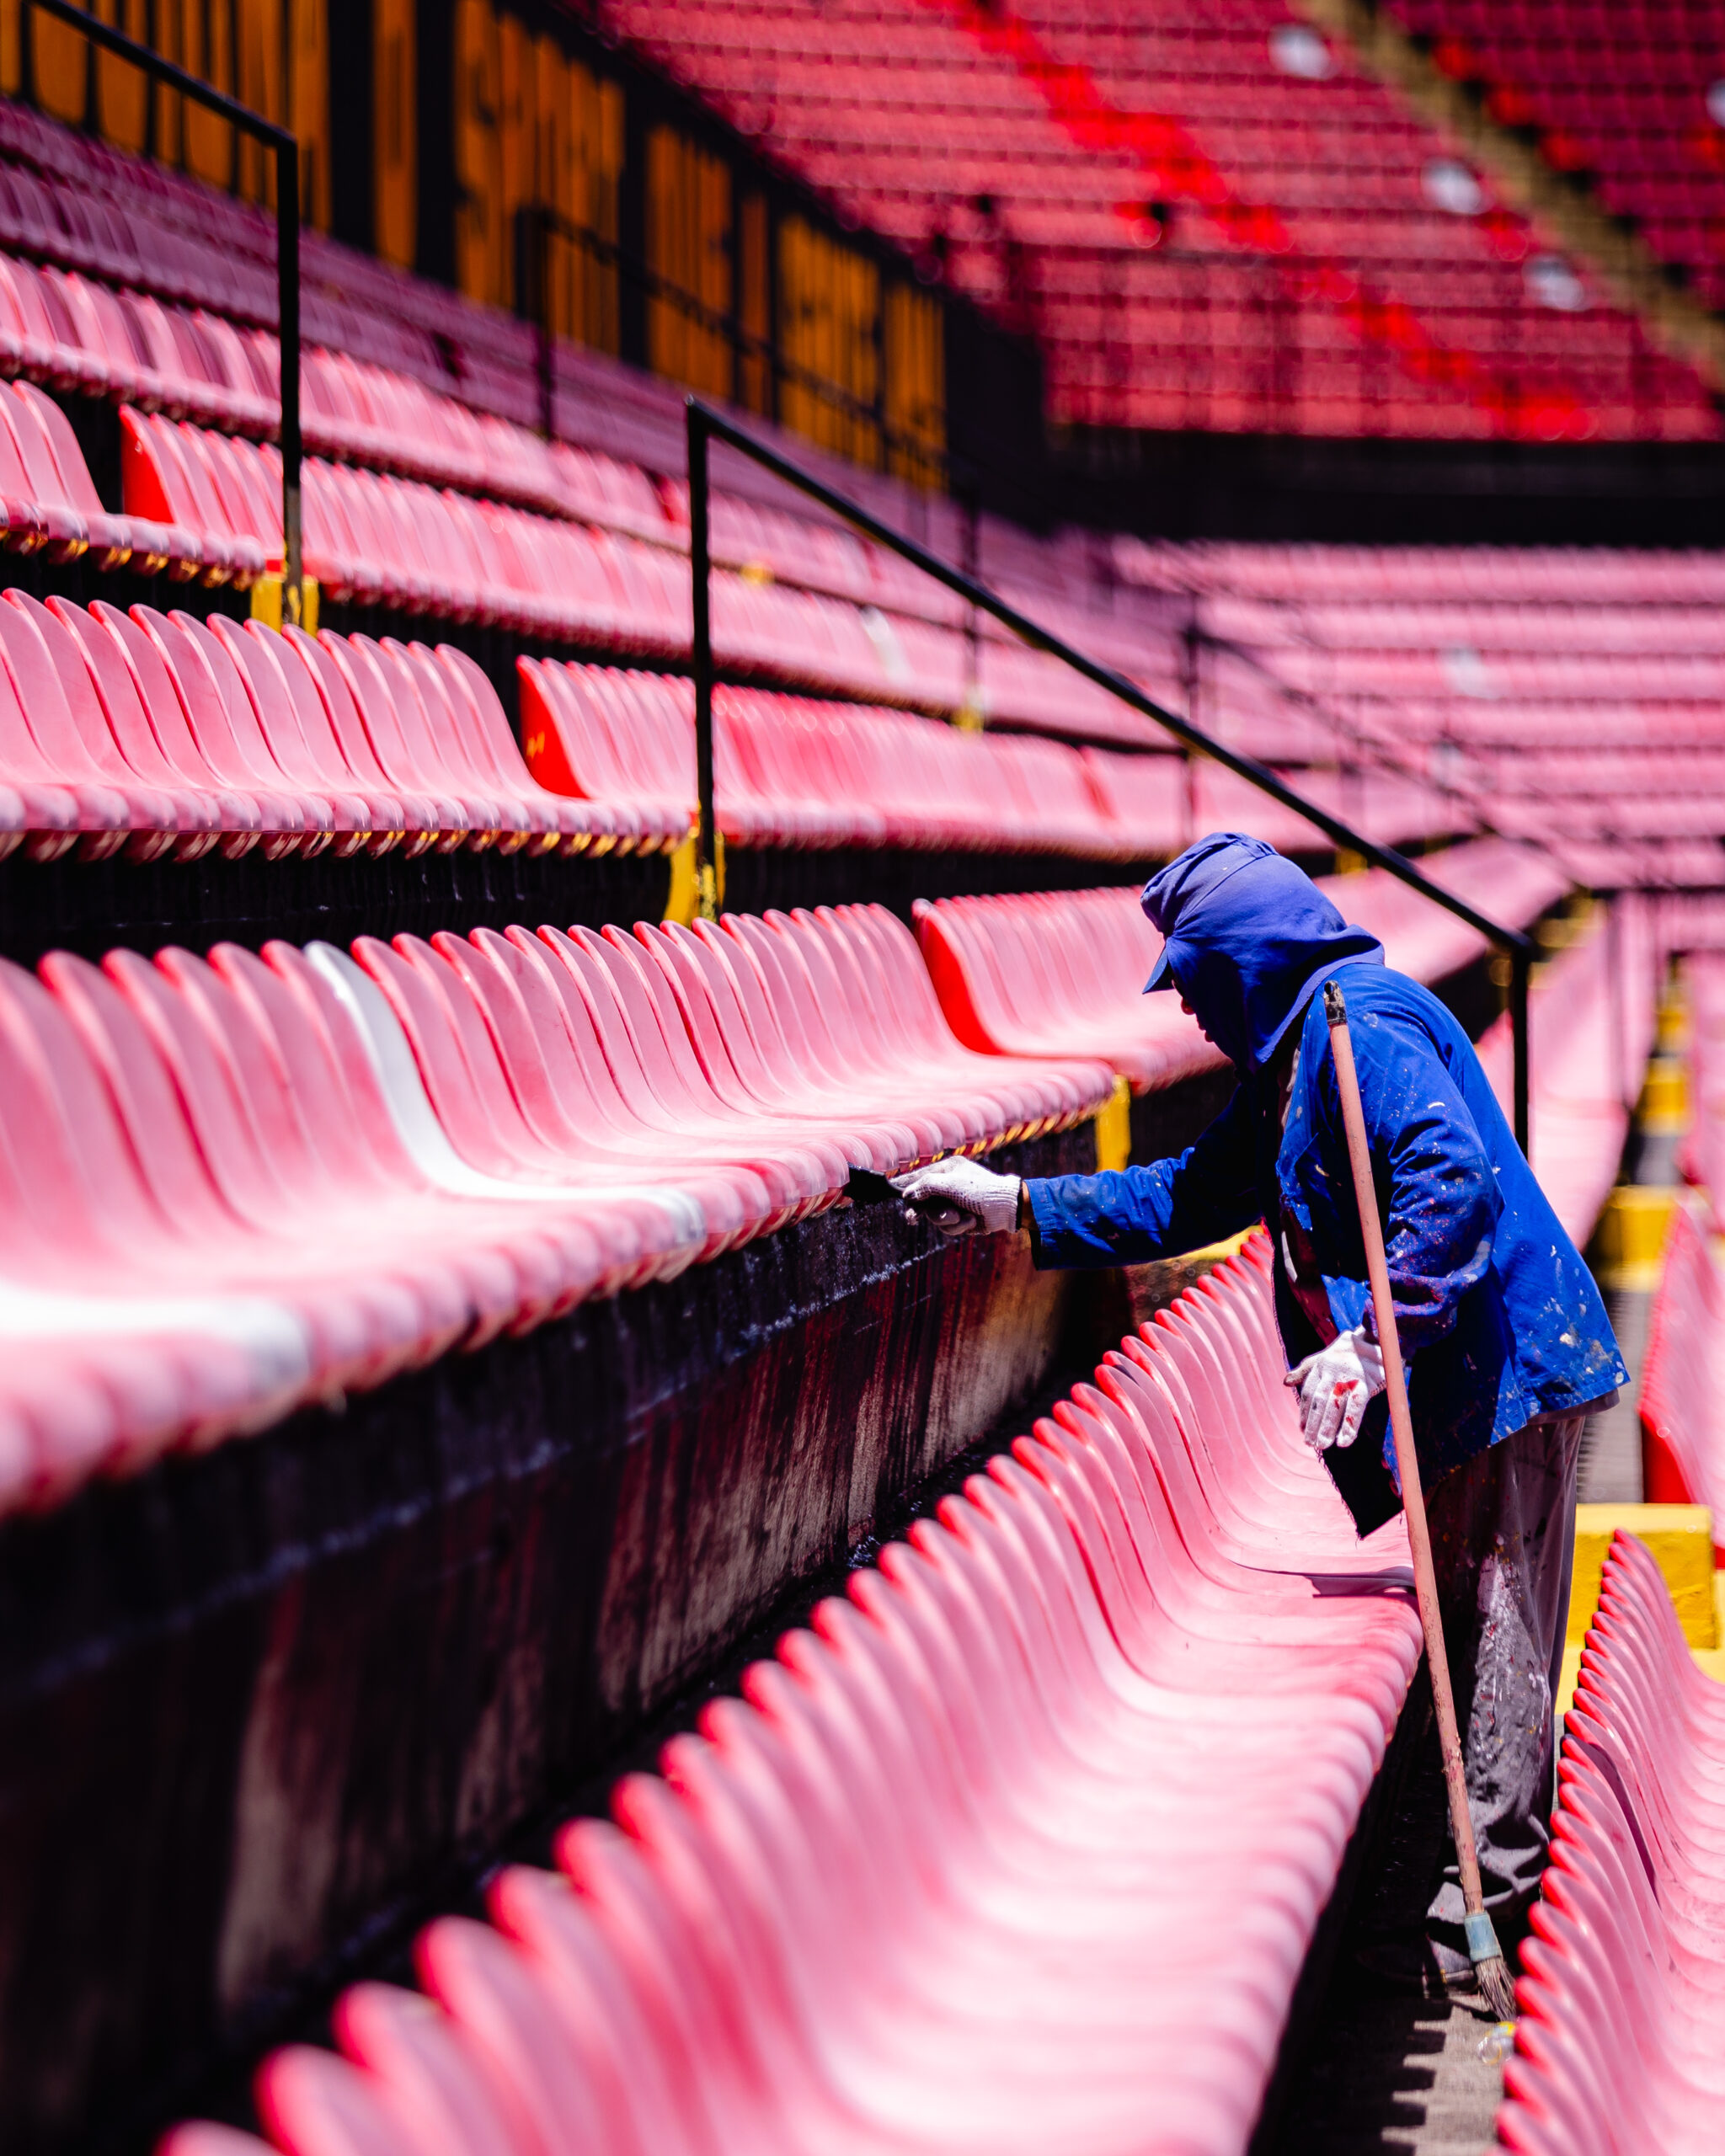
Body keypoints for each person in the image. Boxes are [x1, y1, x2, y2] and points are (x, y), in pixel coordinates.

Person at [893, 832, 1626, 1993]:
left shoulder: (1360, 1031)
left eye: (1189, 973)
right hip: (1462, 1371)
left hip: (1508, 1368)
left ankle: (1485, 1913)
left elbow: (1451, 1187)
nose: (1181, 1002)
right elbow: (1186, 1193)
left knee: (1497, 1635)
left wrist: (1372, 1346)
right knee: (1482, 1620)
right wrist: (1014, 1206)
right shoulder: (1295, 1055)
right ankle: (1474, 1896)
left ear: (1243, 958)